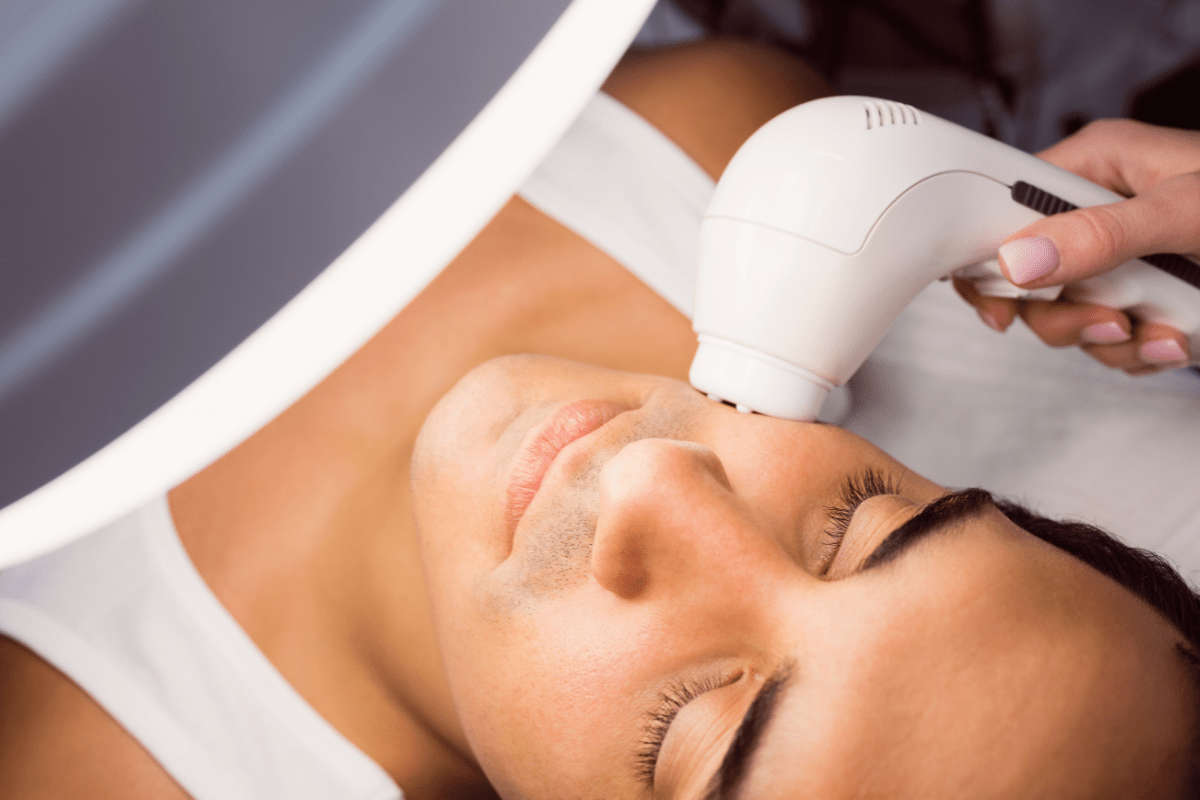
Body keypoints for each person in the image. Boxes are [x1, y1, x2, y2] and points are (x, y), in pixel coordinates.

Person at [1, 37, 1198, 800]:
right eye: (865, 520)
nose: (655, 482)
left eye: (688, 727)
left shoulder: (70, 759)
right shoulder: (700, 145)